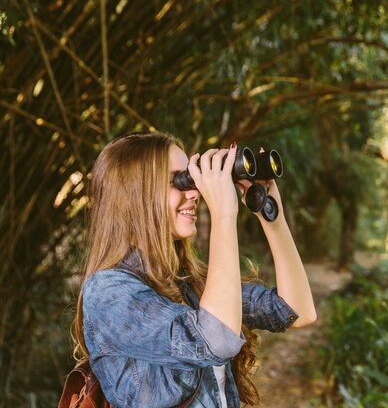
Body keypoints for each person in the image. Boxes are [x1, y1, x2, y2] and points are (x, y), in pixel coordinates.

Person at [71, 131, 317, 408]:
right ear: (134, 195)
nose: (194, 192)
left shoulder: (186, 284)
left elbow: (296, 310)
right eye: (178, 181)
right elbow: (217, 338)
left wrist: (272, 214)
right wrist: (223, 212)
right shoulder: (108, 293)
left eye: (191, 178)